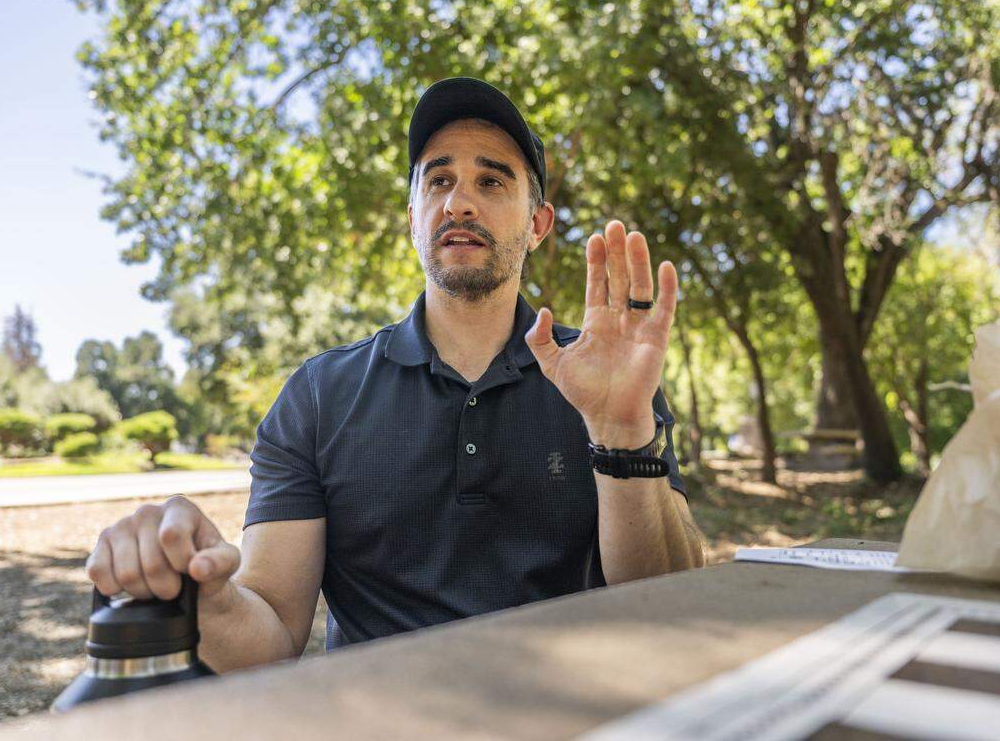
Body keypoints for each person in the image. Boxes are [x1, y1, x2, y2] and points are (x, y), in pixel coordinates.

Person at [85, 77, 706, 672]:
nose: (459, 201)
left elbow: (673, 603)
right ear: (413, 215)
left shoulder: (606, 375)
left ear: (538, 224)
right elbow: (270, 632)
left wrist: (621, 433)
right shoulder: (319, 397)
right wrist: (207, 597)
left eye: (492, 181)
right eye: (438, 180)